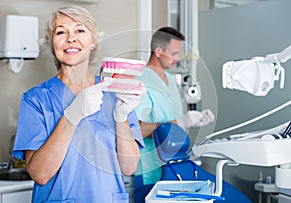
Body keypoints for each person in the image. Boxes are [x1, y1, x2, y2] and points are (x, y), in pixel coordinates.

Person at [12, 5, 146, 203]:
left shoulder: (116, 91)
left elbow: (129, 167)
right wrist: (71, 116)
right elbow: (40, 174)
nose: (71, 38)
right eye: (60, 32)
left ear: (93, 41)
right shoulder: (36, 99)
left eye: (80, 30)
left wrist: (121, 118)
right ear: (51, 44)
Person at [133, 26, 215, 203]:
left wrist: (193, 120)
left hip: (177, 167)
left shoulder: (171, 80)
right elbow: (134, 129)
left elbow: (176, 121)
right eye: (174, 53)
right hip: (151, 170)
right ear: (158, 51)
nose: (178, 59)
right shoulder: (140, 80)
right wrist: (179, 122)